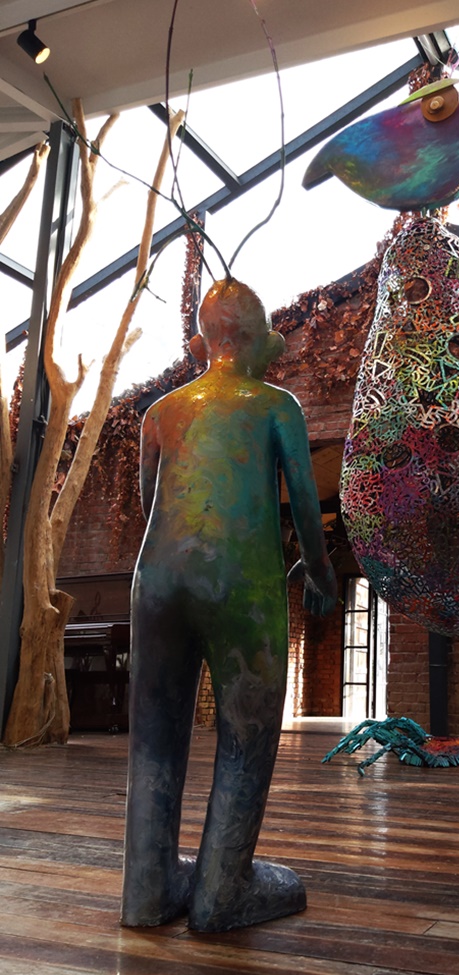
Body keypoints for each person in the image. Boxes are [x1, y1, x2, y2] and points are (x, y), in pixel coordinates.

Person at [121, 277, 337, 932]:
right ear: (265, 346)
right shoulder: (276, 406)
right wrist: (320, 571)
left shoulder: (161, 413)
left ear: (200, 346)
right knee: (247, 735)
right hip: (241, 584)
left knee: (154, 737)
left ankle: (148, 890)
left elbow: (150, 503)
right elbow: (304, 501)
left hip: (156, 584)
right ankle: (223, 890)